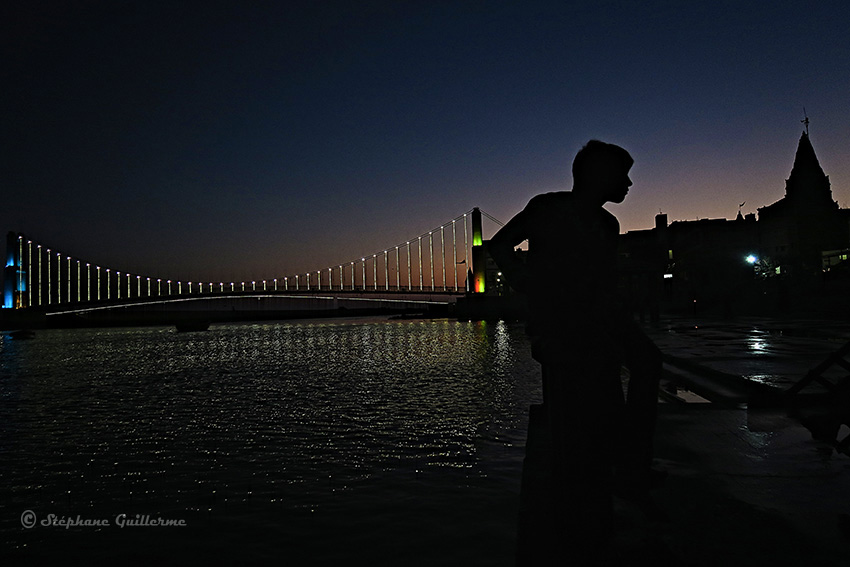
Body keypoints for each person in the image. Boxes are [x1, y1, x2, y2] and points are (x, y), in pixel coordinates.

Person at [488, 140, 664, 553]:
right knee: (593, 390)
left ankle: (629, 461)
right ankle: (616, 471)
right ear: (600, 175)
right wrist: (526, 282)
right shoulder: (547, 207)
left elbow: (603, 278)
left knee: (646, 363)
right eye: (622, 175)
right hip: (564, 317)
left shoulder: (608, 225)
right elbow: (498, 245)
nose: (629, 184)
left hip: (600, 313)